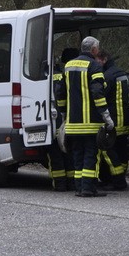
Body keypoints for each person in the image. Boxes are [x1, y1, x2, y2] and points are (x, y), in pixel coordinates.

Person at [63, 36, 115, 197]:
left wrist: (64, 113)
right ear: (94, 50)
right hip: (90, 123)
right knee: (91, 156)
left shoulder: (68, 66)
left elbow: (60, 93)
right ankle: (88, 188)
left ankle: (79, 187)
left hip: (72, 123)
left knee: (78, 155)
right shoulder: (94, 66)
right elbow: (98, 94)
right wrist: (107, 117)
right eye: (97, 49)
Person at [96, 48, 129, 191]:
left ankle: (118, 181)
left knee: (108, 151)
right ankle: (116, 178)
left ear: (104, 59)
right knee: (122, 151)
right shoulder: (121, 73)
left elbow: (100, 96)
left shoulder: (107, 76)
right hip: (125, 120)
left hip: (113, 121)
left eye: (97, 61)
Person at [49, 47, 80, 191]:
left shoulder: (52, 75)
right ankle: (72, 182)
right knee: (69, 151)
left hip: (52, 118)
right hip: (70, 119)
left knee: (55, 152)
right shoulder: (70, 75)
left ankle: (60, 184)